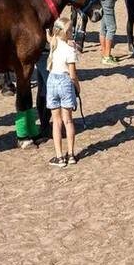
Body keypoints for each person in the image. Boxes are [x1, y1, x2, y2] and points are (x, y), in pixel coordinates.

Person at [45, 18, 80, 168]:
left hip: (52, 81)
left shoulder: (53, 43)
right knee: (68, 121)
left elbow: (49, 35)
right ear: (66, 32)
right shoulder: (70, 50)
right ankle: (71, 154)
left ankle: (59, 157)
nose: (73, 33)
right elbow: (72, 75)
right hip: (65, 82)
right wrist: (77, 88)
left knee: (56, 122)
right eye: (71, 30)